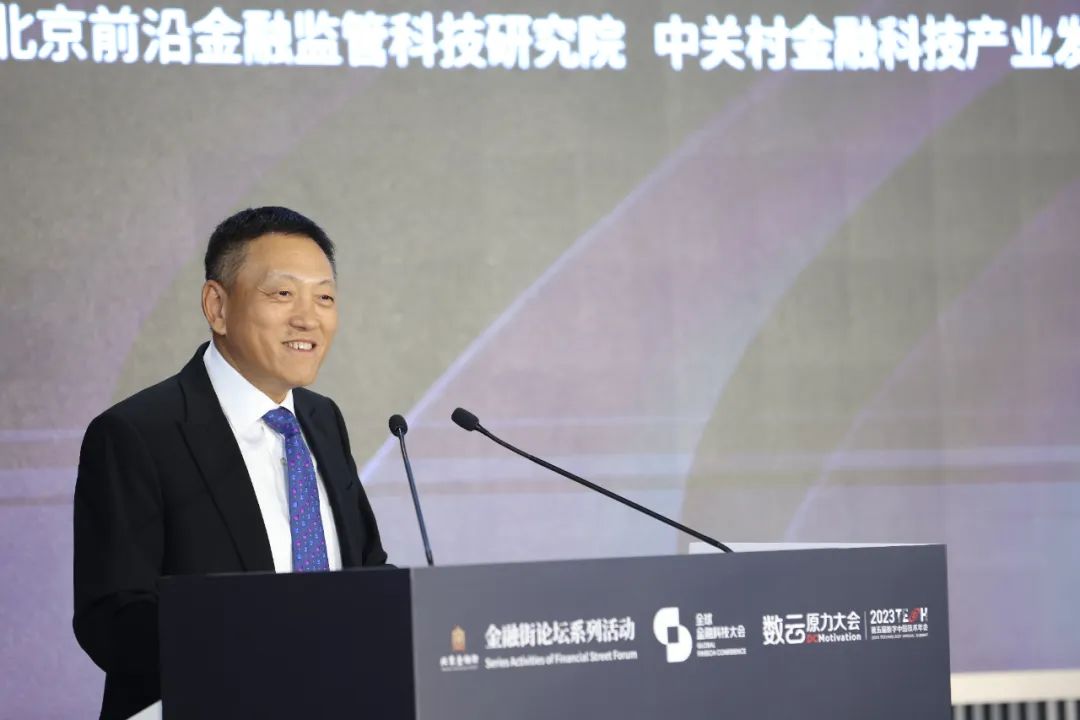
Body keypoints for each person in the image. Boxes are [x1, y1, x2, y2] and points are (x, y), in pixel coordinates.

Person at [73, 206, 389, 720]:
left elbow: (364, 570)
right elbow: (112, 617)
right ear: (216, 306)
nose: (308, 318)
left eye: (325, 297)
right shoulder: (136, 433)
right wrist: (256, 663)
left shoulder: (322, 419)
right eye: (282, 294)